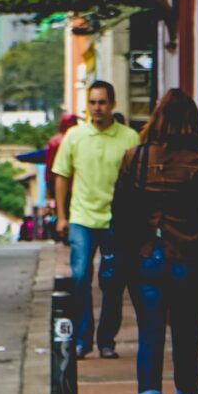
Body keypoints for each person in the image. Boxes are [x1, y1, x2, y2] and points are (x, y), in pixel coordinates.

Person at [109, 88, 198, 394]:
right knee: (186, 336)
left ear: (157, 118)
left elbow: (119, 211)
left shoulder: (134, 158)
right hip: (186, 259)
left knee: (150, 335)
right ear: (192, 121)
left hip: (144, 259)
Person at [50, 81, 137, 359]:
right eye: (92, 103)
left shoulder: (129, 138)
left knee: (112, 282)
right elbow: (61, 176)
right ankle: (82, 339)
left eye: (102, 103)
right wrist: (62, 216)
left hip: (117, 221)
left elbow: (137, 182)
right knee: (79, 277)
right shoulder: (75, 137)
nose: (97, 108)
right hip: (82, 219)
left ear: (112, 105)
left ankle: (106, 339)